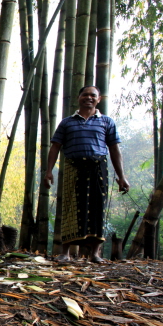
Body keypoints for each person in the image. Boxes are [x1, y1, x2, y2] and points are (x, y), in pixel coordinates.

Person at [44, 86, 130, 263]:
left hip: (98, 169)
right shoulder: (67, 122)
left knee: (97, 209)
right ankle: (65, 253)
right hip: (73, 168)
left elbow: (114, 149)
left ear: (99, 100)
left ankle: (95, 254)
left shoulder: (107, 122)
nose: (88, 98)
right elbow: (55, 147)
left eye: (93, 95)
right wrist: (48, 171)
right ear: (78, 98)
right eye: (85, 94)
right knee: (70, 208)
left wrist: (121, 176)